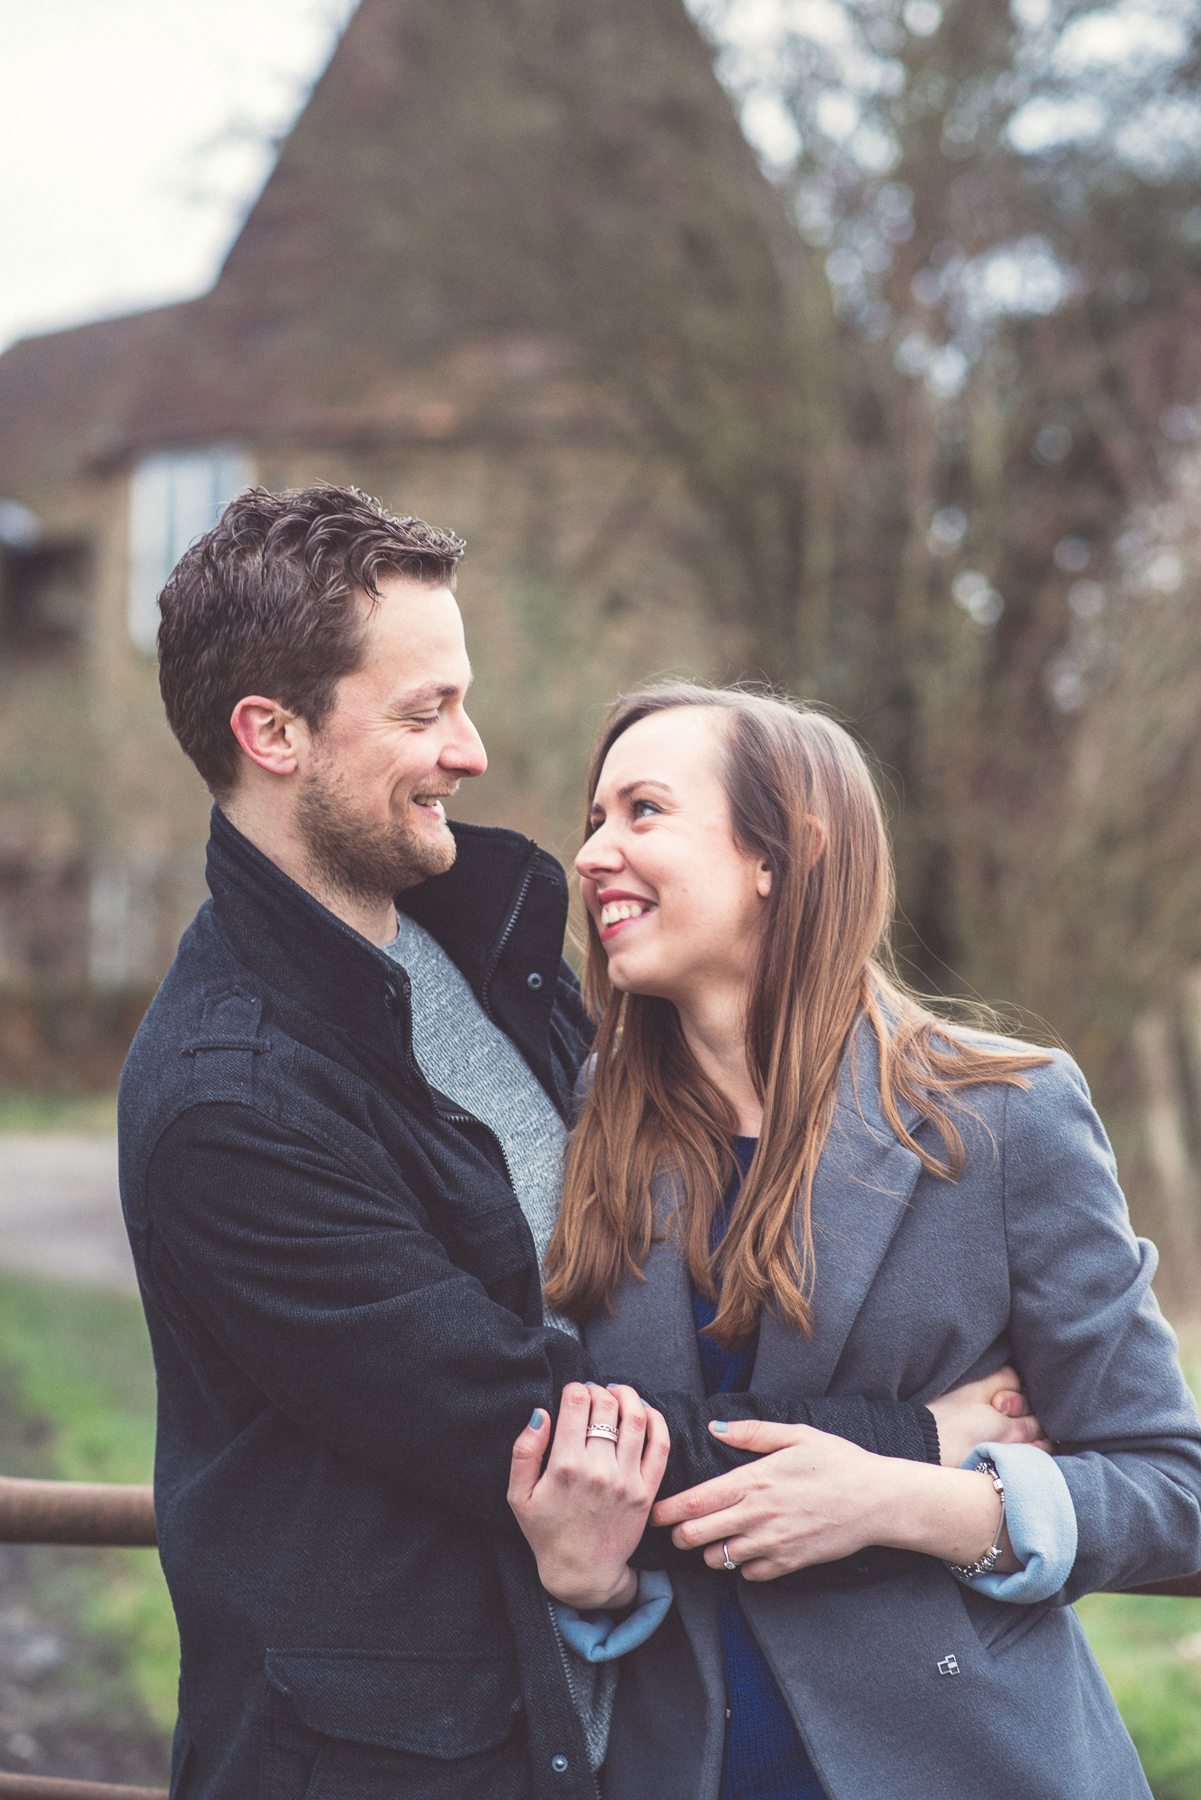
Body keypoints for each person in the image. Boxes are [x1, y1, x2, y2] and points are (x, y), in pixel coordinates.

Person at [118, 486, 1039, 1800]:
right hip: (390, 1764)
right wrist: (914, 1447)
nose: (473, 750)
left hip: (609, 1708)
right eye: (423, 712)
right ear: (270, 733)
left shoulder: (486, 948)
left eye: (464, 699)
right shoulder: (233, 1105)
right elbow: (541, 1431)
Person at [508, 681, 1201, 1800]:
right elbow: (570, 1458)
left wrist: (906, 1498)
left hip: (969, 1765)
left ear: (783, 851)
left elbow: (1171, 1484)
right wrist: (584, 1584)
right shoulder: (586, 1119)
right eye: (594, 820)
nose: (593, 853)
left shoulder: (1005, 1115)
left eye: (642, 812)